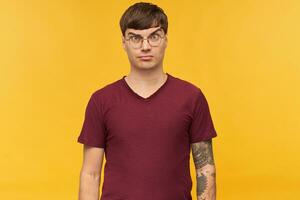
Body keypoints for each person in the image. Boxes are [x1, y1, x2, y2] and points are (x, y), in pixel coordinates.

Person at [77, 2, 217, 200]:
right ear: (124, 42)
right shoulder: (101, 100)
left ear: (166, 39)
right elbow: (90, 175)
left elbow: (205, 169)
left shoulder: (192, 97)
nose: (145, 46)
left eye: (154, 36)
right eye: (136, 38)